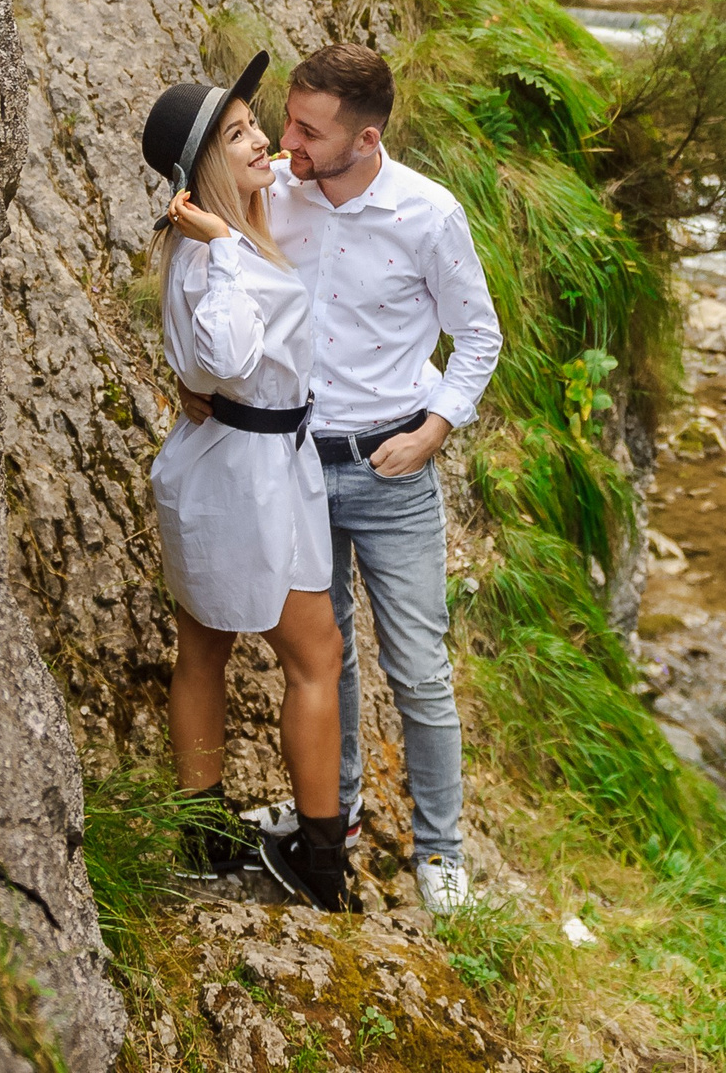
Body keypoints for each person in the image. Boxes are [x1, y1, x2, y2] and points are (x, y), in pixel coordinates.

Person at [183, 44, 502, 915]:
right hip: (292, 467)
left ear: (365, 139)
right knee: (331, 656)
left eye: (308, 130)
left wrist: (436, 429)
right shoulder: (272, 195)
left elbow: (478, 337)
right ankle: (343, 814)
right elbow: (212, 274)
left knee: (420, 669)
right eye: (286, 118)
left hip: (392, 465)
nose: (288, 140)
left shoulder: (429, 215)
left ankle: (441, 853)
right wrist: (193, 380)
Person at [141, 52, 352, 911]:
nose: (262, 139)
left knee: (206, 651)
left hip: (261, 467)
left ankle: (206, 837)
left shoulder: (246, 232)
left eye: (252, 121)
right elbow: (228, 357)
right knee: (312, 655)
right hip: (240, 480)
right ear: (201, 178)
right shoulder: (207, 259)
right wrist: (223, 245)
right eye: (238, 135)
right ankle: (319, 860)